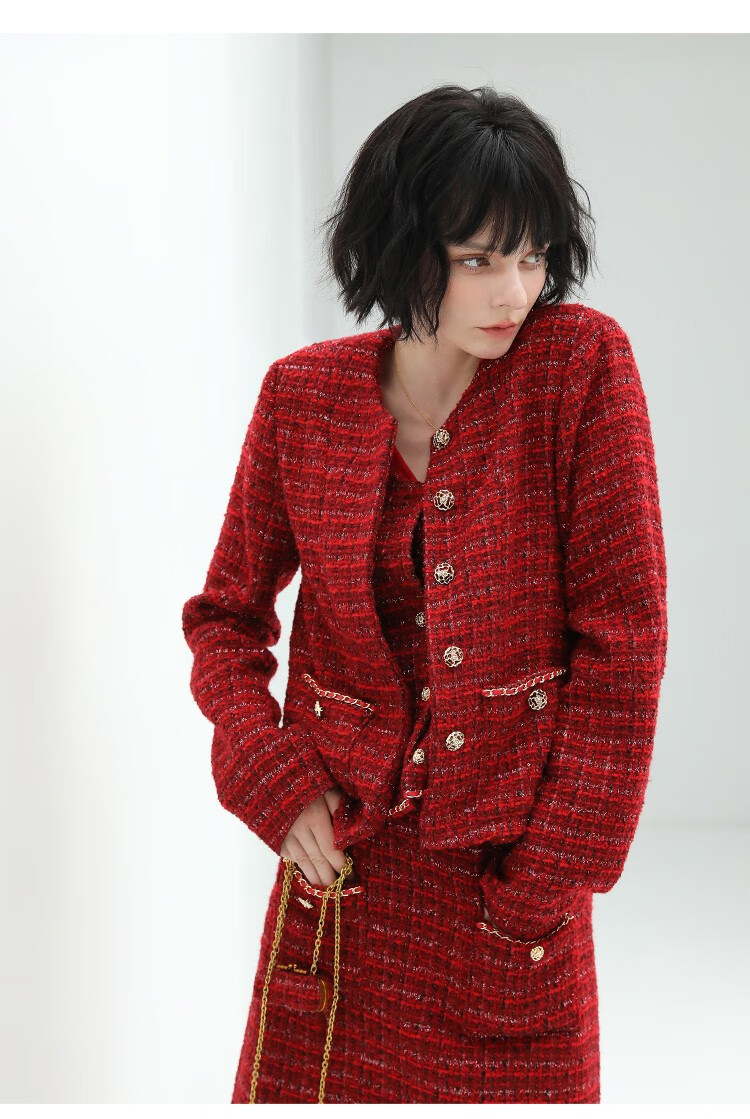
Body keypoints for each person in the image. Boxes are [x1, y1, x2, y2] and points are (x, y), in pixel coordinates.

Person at [181, 83, 668, 1104]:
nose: (513, 293)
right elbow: (225, 617)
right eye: (478, 259)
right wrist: (271, 778)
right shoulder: (302, 398)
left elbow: (624, 648)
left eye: (532, 256)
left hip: (510, 899)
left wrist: (538, 891)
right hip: (341, 887)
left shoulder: (580, 371)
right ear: (402, 249)